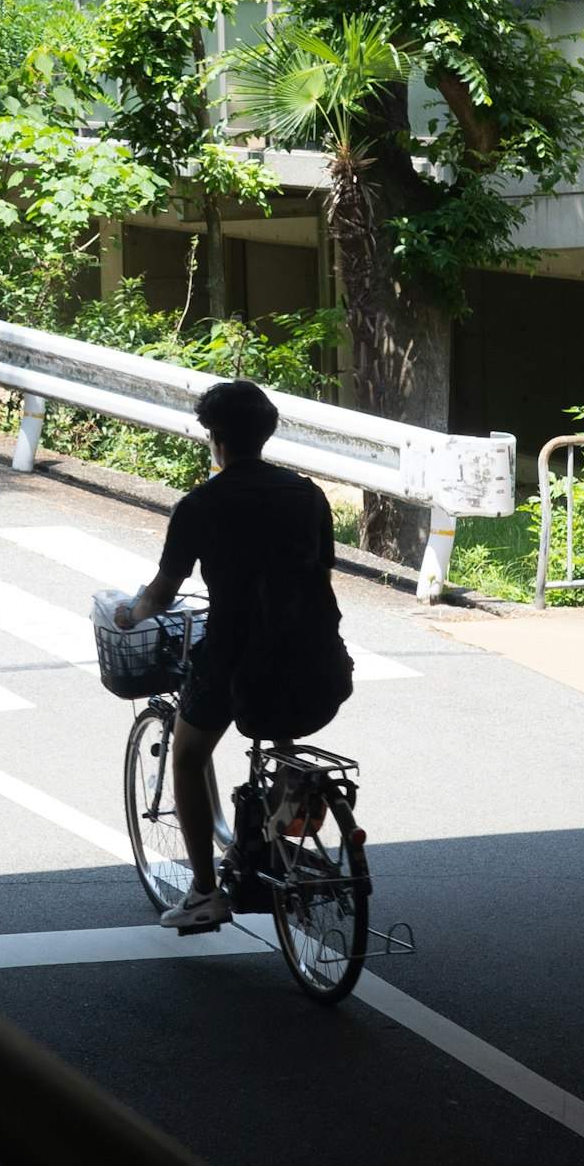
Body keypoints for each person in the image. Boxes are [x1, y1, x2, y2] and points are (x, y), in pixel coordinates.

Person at [113, 379, 355, 932]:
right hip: (316, 656)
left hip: (236, 659)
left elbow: (162, 595)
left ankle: (204, 893)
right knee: (279, 735)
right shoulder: (307, 494)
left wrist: (130, 614)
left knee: (189, 754)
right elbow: (321, 567)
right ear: (266, 433)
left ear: (215, 437)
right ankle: (281, 835)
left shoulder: (201, 505)